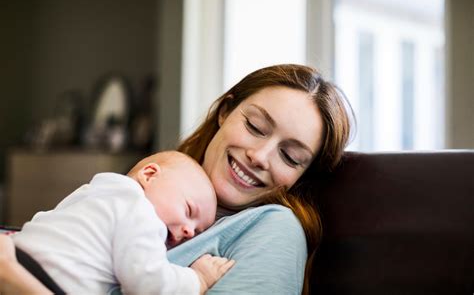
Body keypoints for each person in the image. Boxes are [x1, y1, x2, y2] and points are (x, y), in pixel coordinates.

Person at [0, 64, 353, 294]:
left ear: (302, 176)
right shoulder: (143, 193)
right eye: (255, 127)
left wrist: (16, 281)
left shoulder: (273, 229)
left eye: (291, 157)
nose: (260, 157)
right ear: (225, 112)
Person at [3, 151, 235, 294]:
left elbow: (44, 219)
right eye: (188, 210)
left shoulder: (97, 190)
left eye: (197, 231)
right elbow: (148, 283)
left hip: (19, 254)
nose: (188, 230)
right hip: (49, 280)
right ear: (149, 175)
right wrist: (198, 279)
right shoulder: (141, 211)